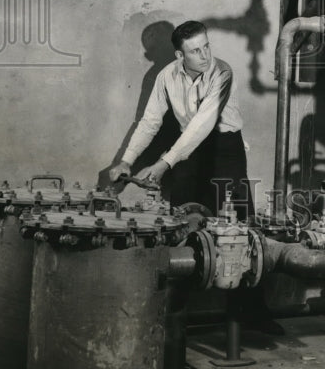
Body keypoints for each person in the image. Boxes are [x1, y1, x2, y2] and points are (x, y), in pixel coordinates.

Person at [109, 20, 281, 333]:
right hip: (187, 151)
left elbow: (202, 124)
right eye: (195, 50)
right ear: (179, 55)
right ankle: (174, 318)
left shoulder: (222, 72)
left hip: (224, 149)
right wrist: (126, 161)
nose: (204, 55)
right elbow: (149, 123)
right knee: (183, 225)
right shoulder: (165, 77)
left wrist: (163, 164)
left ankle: (254, 313)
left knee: (240, 229)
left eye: (206, 46)